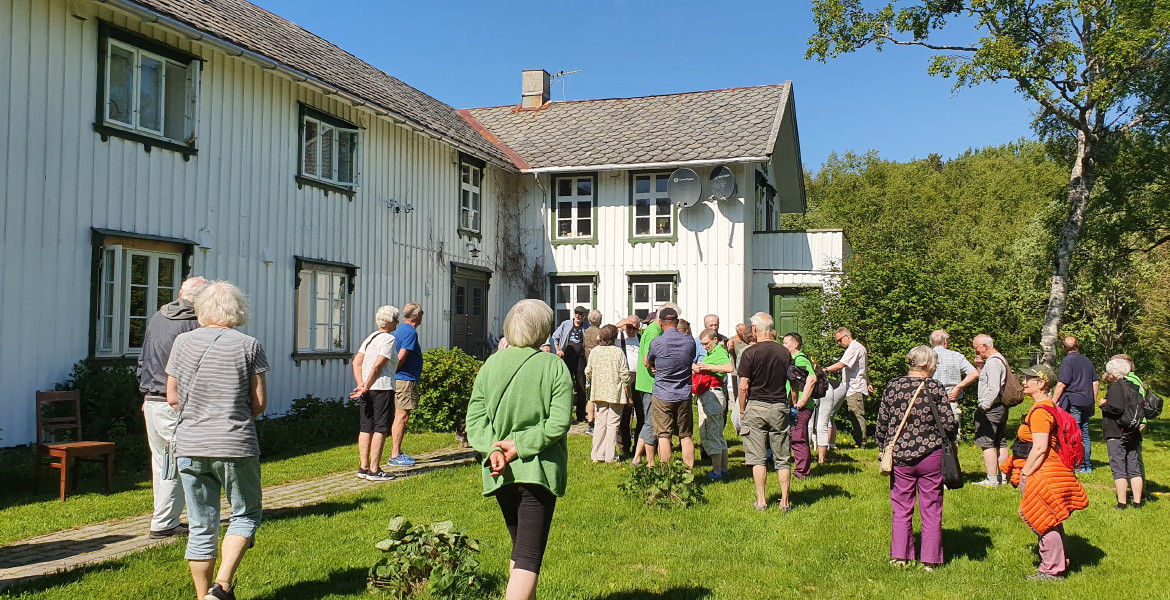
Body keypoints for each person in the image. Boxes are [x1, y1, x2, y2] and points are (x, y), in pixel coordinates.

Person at [164, 281, 268, 600]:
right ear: (238, 309)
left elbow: (171, 396)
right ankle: (221, 587)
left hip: (190, 444)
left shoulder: (182, 342)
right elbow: (259, 403)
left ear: (202, 310)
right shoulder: (249, 345)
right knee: (245, 514)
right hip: (235, 443)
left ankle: (202, 597)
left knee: (200, 524)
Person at [465, 299, 573, 600]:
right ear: (543, 329)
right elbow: (559, 422)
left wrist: (493, 450)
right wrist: (520, 447)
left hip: (500, 472)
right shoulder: (554, 366)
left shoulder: (491, 364)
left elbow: (475, 420)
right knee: (528, 557)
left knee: (521, 547)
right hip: (537, 471)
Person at [1000, 364, 1089, 581]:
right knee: (1051, 517)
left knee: (1043, 520)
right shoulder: (1048, 406)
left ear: (1041, 383)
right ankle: (1058, 563)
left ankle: (1051, 570)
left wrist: (1026, 473)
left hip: (1042, 472)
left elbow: (1039, 448)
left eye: (1028, 379)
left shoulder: (1040, 412)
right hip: (1050, 469)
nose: (1023, 382)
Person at [876, 346, 957, 570]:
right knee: (931, 508)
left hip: (900, 456)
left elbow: (882, 422)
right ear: (929, 364)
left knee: (901, 507)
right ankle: (930, 561)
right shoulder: (936, 388)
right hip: (931, 455)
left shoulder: (894, 386)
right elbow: (949, 424)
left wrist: (882, 447)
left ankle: (900, 557)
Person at [137, 276, 206, 539]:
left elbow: (143, 359)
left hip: (153, 400)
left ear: (180, 293)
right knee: (176, 463)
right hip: (173, 402)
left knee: (162, 461)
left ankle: (166, 518)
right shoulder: (193, 324)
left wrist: (145, 393)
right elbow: (193, 369)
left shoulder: (158, 318)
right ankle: (164, 523)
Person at [738, 312, 794, 511]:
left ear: (754, 329)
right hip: (779, 406)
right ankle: (785, 502)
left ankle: (762, 501)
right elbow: (793, 382)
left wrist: (742, 409)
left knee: (757, 457)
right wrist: (792, 403)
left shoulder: (749, 352)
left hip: (756, 406)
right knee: (782, 457)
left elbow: (744, 385)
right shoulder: (784, 352)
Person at [349, 305, 400, 482]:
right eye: (395, 319)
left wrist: (361, 385)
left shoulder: (370, 337)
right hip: (382, 387)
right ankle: (374, 469)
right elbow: (378, 365)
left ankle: (363, 467)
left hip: (367, 389)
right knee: (381, 427)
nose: (397, 323)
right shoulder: (388, 339)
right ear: (389, 322)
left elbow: (356, 362)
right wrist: (366, 385)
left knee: (366, 426)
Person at [647, 307, 698, 467]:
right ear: (676, 322)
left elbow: (650, 361)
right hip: (683, 393)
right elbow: (689, 359)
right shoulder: (689, 341)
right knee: (686, 435)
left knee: (663, 435)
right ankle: (689, 474)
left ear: (661, 323)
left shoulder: (657, 342)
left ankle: (666, 473)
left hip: (662, 393)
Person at [633, 304, 678, 467]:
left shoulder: (654, 330)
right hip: (650, 384)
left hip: (651, 383)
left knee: (650, 421)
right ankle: (639, 458)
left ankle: (639, 458)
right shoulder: (654, 331)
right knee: (651, 421)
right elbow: (647, 361)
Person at [1100, 358, 1145, 509]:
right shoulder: (1133, 385)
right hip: (1133, 430)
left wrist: (1103, 405)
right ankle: (1138, 502)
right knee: (1134, 467)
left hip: (1116, 432)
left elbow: (1116, 409)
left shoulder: (1115, 388)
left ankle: (1122, 503)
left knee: (1119, 467)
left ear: (1113, 373)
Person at [1051, 336, 1099, 473]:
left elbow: (1062, 384)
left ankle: (1078, 465)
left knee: (1074, 433)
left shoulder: (1068, 361)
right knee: (1085, 433)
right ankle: (1087, 465)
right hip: (1086, 401)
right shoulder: (1087, 361)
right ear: (1078, 345)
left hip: (1074, 401)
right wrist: (1092, 402)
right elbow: (1095, 383)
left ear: (1064, 347)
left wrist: (1052, 402)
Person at [584, 325, 630, 463]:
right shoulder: (618, 352)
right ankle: (610, 456)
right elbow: (625, 374)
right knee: (613, 424)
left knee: (600, 423)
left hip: (599, 391)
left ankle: (597, 455)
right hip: (615, 392)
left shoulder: (595, 352)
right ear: (614, 337)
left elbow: (588, 371)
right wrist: (628, 386)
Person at [693, 329, 733, 480]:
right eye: (702, 344)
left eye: (706, 343)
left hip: (713, 394)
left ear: (715, 339)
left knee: (712, 433)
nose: (704, 347)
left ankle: (717, 471)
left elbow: (729, 368)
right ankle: (723, 468)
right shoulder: (711, 353)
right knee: (715, 433)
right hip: (707, 394)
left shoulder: (720, 351)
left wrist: (707, 367)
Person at [388, 303, 425, 467]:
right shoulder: (410, 331)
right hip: (405, 379)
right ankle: (395, 455)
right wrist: (394, 372)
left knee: (399, 416)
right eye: (422, 313)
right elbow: (402, 356)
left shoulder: (399, 329)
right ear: (417, 315)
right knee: (402, 417)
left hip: (401, 378)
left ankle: (397, 452)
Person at [972, 334, 1010, 487]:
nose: (975, 352)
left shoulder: (994, 362)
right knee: (1001, 442)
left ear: (985, 346)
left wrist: (984, 406)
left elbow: (994, 388)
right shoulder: (999, 359)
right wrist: (980, 367)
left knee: (987, 443)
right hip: (1000, 406)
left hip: (992, 407)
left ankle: (992, 480)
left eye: (976, 348)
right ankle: (1004, 477)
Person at [823, 327, 870, 447]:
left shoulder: (854, 348)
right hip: (854, 386)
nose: (839, 343)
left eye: (840, 340)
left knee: (856, 414)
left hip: (855, 387)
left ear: (847, 336)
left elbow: (841, 365)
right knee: (853, 413)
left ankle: (861, 442)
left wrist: (825, 370)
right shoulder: (857, 347)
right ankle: (859, 440)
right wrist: (868, 383)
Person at [782, 333, 816, 479]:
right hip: (794, 405)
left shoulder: (800, 359)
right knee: (793, 436)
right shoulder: (792, 360)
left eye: (785, 343)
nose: (783, 346)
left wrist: (801, 402)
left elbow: (812, 379)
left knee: (798, 438)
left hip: (801, 407)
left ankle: (802, 473)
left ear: (795, 344)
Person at [929, 330, 978, 426]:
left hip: (929, 401)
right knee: (952, 433)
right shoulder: (956, 356)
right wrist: (958, 387)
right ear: (946, 342)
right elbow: (974, 374)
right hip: (950, 400)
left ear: (931, 342)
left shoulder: (925, 356)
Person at [550, 306, 590, 422]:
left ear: (584, 316)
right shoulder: (565, 324)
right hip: (566, 358)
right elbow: (554, 338)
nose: (578, 316)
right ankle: (565, 414)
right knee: (565, 385)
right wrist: (557, 350)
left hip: (580, 360)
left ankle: (581, 415)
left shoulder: (587, 327)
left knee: (581, 386)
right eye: (576, 313)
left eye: (580, 314)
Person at [615, 316, 641, 458]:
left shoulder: (641, 338)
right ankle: (624, 447)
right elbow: (600, 336)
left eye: (634, 328)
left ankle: (639, 446)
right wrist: (620, 324)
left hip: (640, 377)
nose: (631, 330)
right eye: (629, 327)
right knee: (624, 415)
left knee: (641, 415)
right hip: (625, 377)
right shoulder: (618, 337)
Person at [726, 323, 750, 434]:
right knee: (738, 394)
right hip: (736, 371)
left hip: (747, 372)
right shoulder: (733, 340)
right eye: (743, 331)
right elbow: (729, 352)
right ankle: (738, 422)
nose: (745, 333)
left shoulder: (747, 341)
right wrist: (729, 348)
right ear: (738, 332)